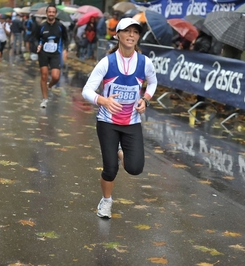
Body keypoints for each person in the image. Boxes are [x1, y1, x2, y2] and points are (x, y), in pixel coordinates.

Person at [81, 18, 158, 219]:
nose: (131, 35)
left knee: (134, 168)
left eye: (135, 32)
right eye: (127, 31)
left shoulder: (144, 62)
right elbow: (87, 90)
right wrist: (103, 100)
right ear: (117, 35)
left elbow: (152, 83)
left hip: (132, 122)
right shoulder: (107, 62)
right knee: (110, 168)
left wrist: (146, 100)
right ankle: (106, 201)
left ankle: (119, 152)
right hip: (107, 122)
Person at [36, 4, 68, 108]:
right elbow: (35, 38)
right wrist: (37, 46)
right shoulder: (41, 26)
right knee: (44, 75)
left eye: (53, 12)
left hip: (55, 54)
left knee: (55, 76)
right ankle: (44, 99)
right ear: (46, 13)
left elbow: (66, 38)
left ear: (55, 14)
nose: (51, 14)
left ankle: (49, 86)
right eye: (49, 12)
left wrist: (65, 50)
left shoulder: (60, 26)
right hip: (43, 54)